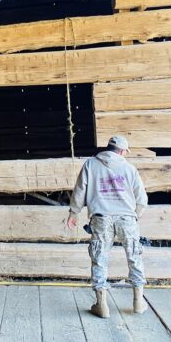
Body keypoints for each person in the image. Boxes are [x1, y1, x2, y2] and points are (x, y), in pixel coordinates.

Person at [67, 135, 148, 318]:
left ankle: (102, 305)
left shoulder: (90, 165)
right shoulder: (129, 168)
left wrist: (74, 213)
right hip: (127, 218)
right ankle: (138, 301)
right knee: (134, 256)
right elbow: (141, 199)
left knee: (99, 258)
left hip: (101, 217)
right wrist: (136, 215)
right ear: (122, 151)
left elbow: (80, 190)